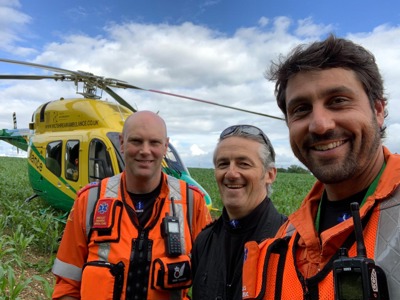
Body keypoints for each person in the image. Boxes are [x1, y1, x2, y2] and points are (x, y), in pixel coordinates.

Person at [242, 34, 400, 299]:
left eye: (338, 100)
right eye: (301, 109)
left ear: (378, 109)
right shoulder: (286, 238)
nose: (320, 125)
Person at [52, 110, 212, 300]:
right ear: (122, 143)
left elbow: (211, 280)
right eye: (136, 141)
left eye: (154, 142)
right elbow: (68, 286)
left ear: (165, 146)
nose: (145, 151)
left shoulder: (193, 201)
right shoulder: (90, 200)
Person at [191, 124, 287, 300]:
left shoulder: (291, 243)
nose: (231, 173)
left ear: (270, 174)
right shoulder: (203, 242)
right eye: (223, 164)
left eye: (243, 164)